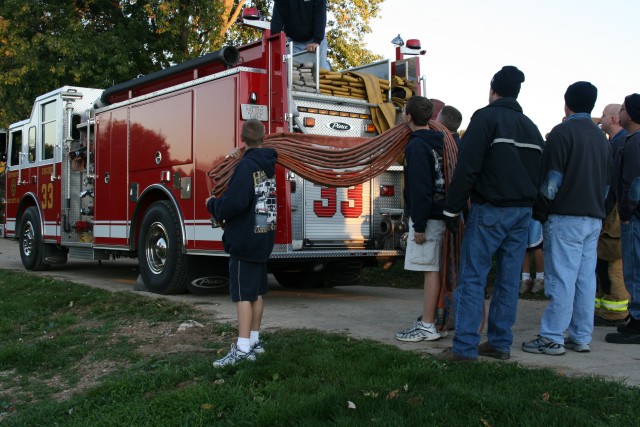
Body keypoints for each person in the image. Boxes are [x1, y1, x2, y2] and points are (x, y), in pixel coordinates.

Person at [435, 66, 544, 362]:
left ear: (492, 90)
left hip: (491, 210)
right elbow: (542, 175)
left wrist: (451, 208)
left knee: (472, 279)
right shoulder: (531, 127)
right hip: (522, 214)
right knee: (508, 281)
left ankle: (465, 348)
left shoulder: (485, 118)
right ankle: (499, 343)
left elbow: (467, 167)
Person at [523, 82, 610, 355]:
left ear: (566, 102)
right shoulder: (601, 138)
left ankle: (551, 337)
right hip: (594, 216)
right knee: (585, 279)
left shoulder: (562, 133)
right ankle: (581, 336)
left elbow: (552, 180)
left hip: (565, 215)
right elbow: (607, 184)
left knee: (561, 277)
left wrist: (540, 210)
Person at [206, 119, 278, 367]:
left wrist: (212, 205)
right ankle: (255, 342)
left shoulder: (246, 166)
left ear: (242, 139)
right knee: (256, 292)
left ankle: (243, 347)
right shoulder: (268, 165)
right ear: (263, 138)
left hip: (245, 241)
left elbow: (234, 203)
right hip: (262, 237)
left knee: (242, 296)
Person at [395, 96, 448, 342]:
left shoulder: (416, 147)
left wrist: (419, 224)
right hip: (440, 213)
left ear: (407, 117)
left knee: (429, 270)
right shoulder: (439, 142)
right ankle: (430, 320)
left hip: (428, 217)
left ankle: (427, 325)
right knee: (433, 268)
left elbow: (420, 187)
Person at [606, 93, 640, 344]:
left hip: (634, 217)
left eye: (625, 110)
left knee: (634, 269)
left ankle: (638, 322)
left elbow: (636, 183)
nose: (621, 114)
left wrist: (626, 212)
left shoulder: (636, 142)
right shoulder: (632, 140)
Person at [594, 103, 629, 327]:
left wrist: (605, 212)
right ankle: (603, 307)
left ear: (614, 120)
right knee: (604, 262)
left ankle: (616, 312)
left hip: (614, 213)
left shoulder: (620, 144)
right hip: (613, 211)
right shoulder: (616, 143)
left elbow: (613, 184)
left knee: (613, 262)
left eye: (605, 115)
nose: (601, 119)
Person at [271, 0, 331, 71]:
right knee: (292, 72)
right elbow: (276, 21)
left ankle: (327, 66)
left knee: (320, 71)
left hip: (315, 39)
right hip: (294, 42)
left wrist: (317, 40)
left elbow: (320, 15)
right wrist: (273, 44)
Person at [519, 219, 544, 295]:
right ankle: (525, 279)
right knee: (525, 246)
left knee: (536, 246)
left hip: (536, 214)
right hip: (525, 212)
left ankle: (540, 278)